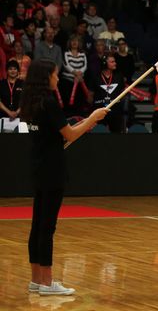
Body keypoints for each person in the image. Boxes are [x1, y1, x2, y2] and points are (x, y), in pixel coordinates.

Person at [20, 59, 108, 296]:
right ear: (45, 77)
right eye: (55, 75)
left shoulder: (31, 101)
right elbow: (69, 134)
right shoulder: (49, 102)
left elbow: (54, 133)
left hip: (38, 168)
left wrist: (69, 128)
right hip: (52, 170)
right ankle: (47, 283)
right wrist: (92, 119)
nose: (58, 79)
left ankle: (36, 279)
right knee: (47, 227)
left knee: (38, 225)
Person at [89, 55, 125, 133]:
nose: (115, 63)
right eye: (112, 62)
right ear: (105, 63)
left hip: (115, 111)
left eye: (114, 61)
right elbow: (90, 95)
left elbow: (123, 92)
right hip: (99, 111)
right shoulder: (96, 77)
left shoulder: (118, 76)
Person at [61, 37, 89, 115]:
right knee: (67, 101)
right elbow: (66, 65)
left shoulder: (83, 54)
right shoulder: (66, 53)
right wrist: (76, 73)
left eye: (76, 41)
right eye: (72, 41)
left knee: (79, 101)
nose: (74, 43)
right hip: (67, 80)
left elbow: (85, 65)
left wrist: (79, 74)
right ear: (69, 43)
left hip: (80, 80)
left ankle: (78, 116)